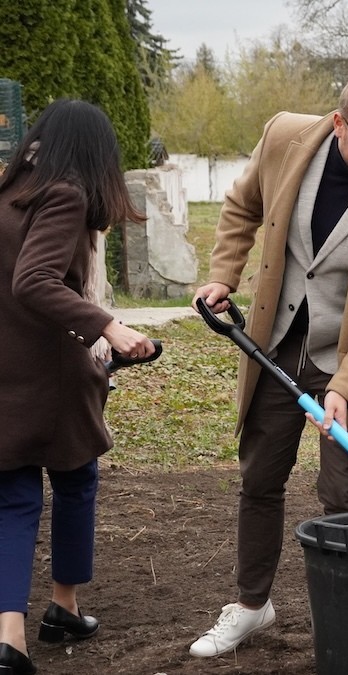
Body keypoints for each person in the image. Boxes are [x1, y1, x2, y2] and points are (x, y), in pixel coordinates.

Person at [190, 72, 348, 657]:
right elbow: (242, 204)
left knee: (344, 493)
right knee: (260, 479)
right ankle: (252, 605)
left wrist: (345, 388)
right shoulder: (284, 138)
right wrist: (224, 274)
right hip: (274, 342)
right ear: (339, 123)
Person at [0, 99, 157, 675]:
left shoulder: (8, 193)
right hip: (53, 379)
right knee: (75, 482)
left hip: (4, 380)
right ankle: (64, 607)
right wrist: (109, 327)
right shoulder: (64, 195)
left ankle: (8, 639)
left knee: (12, 500)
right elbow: (34, 281)